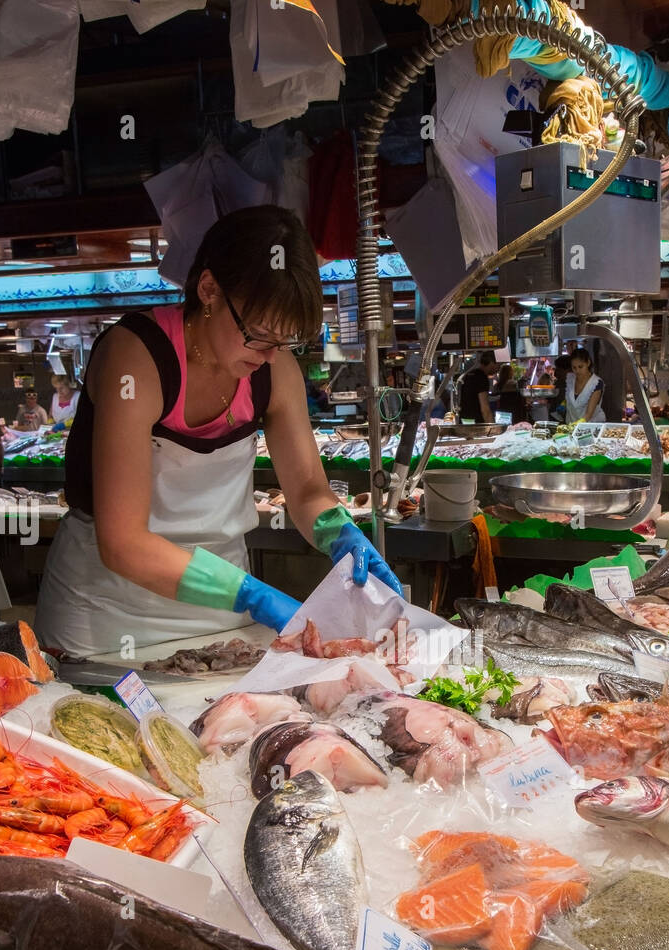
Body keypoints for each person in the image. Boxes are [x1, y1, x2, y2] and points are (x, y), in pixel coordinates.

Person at [35, 206, 401, 658]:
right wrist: (254, 595)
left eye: (285, 342)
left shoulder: (274, 369)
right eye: (260, 334)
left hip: (220, 613)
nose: (270, 356)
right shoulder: (136, 358)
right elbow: (123, 542)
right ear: (209, 289)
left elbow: (307, 489)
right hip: (105, 614)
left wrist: (340, 532)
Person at [565, 347, 605, 423]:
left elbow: (588, 414)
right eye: (574, 368)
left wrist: (578, 425)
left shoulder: (596, 383)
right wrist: (564, 404)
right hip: (570, 422)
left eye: (580, 367)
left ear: (588, 363)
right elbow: (572, 399)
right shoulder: (570, 379)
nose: (577, 371)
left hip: (590, 425)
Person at [458, 351, 495, 424]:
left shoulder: (468, 374)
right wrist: (493, 430)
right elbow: (485, 409)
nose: (498, 369)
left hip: (464, 421)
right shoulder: (482, 377)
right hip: (477, 424)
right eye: (498, 366)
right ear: (491, 363)